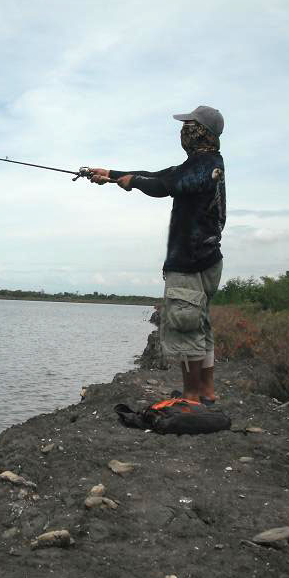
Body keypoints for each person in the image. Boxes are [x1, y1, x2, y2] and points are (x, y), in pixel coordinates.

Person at [89, 105, 226, 404]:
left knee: (185, 323)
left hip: (189, 261)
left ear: (198, 131)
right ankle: (206, 392)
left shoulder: (203, 166)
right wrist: (112, 175)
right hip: (206, 258)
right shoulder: (206, 163)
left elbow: (165, 186)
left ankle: (191, 398)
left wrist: (133, 183)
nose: (182, 131)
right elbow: (158, 175)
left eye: (187, 125)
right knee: (199, 322)